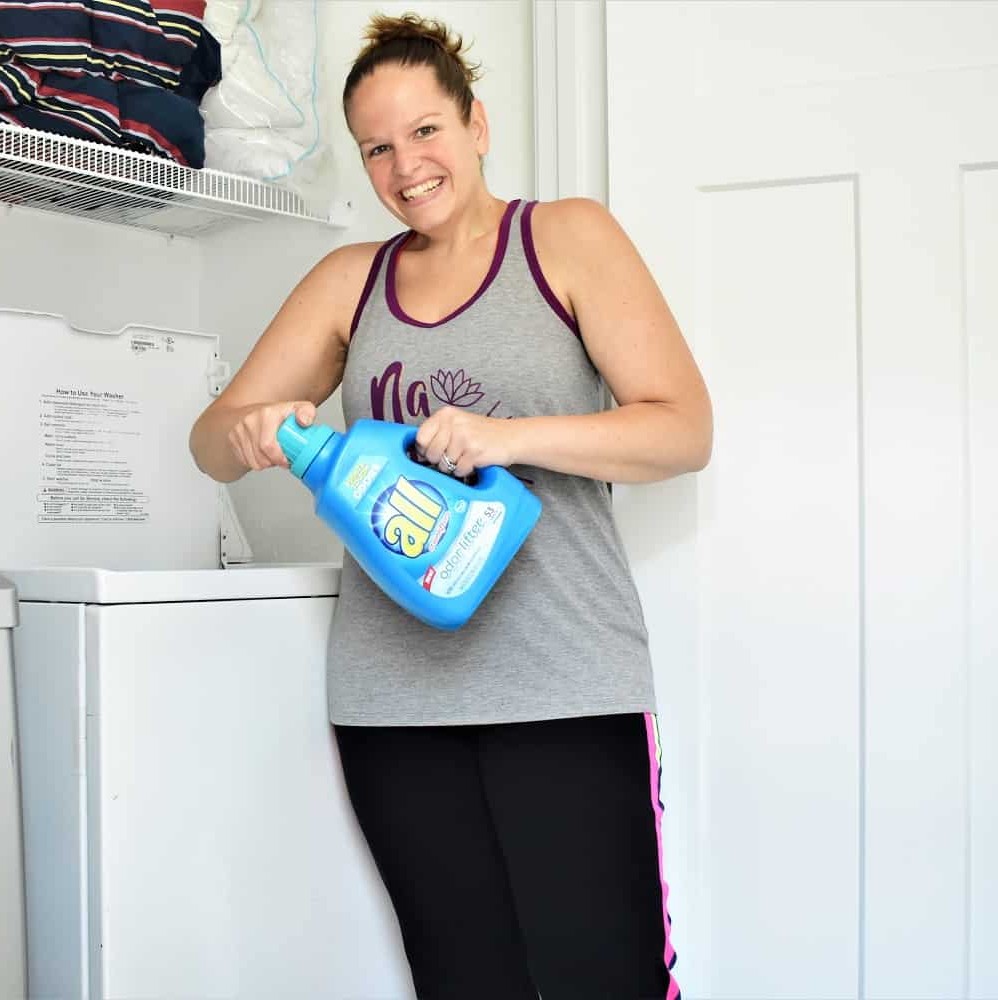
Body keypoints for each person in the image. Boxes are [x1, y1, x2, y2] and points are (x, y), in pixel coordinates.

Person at [189, 13, 710, 1000]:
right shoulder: (352, 281)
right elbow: (210, 440)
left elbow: (682, 428)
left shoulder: (566, 237)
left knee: (607, 977)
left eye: (425, 130)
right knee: (464, 979)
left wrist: (505, 436)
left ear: (476, 123)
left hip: (563, 680)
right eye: (376, 147)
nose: (404, 164)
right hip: (394, 700)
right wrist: (254, 431)